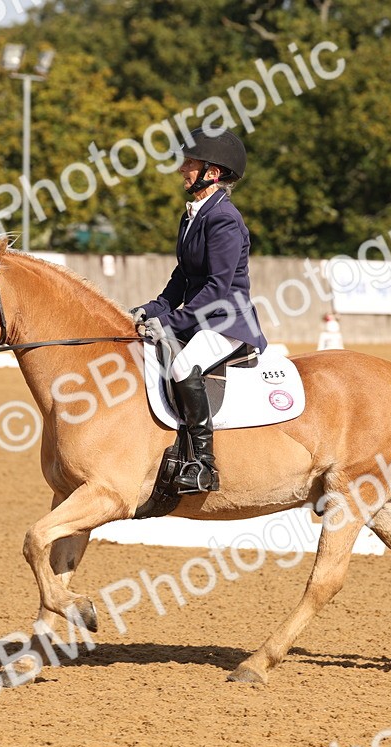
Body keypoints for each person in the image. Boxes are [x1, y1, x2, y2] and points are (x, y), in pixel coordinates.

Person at [130, 127, 268, 494]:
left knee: (181, 365)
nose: (182, 169)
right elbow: (182, 277)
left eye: (190, 163)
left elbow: (217, 289)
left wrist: (169, 321)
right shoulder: (192, 215)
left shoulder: (223, 218)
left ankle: (203, 465)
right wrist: (151, 309)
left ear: (213, 173)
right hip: (201, 319)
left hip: (228, 324)